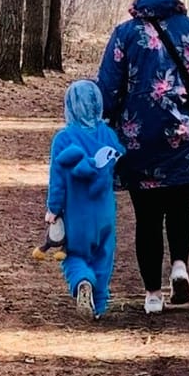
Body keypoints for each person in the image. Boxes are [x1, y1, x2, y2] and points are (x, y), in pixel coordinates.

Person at [96, 0, 189, 315]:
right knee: (180, 206)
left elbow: (108, 88)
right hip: (186, 137)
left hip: (139, 140)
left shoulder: (125, 35)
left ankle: (152, 295)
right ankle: (180, 267)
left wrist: (100, 125)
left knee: (147, 217)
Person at [44, 79, 122, 318]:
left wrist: (53, 209)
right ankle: (99, 305)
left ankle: (82, 283)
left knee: (74, 255)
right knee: (103, 254)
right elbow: (117, 168)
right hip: (104, 211)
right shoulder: (108, 135)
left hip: (77, 213)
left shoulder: (64, 140)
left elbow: (57, 181)